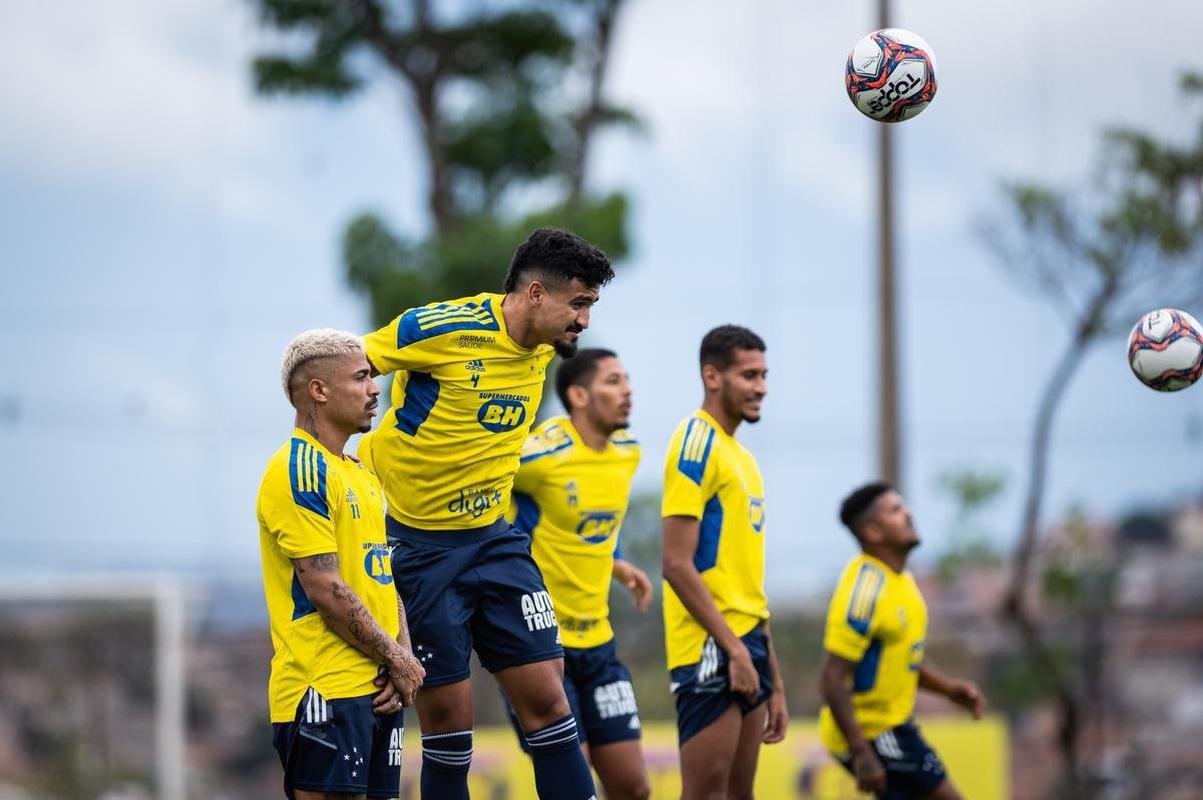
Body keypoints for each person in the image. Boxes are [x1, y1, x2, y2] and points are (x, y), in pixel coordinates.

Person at [362, 228, 614, 800]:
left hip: (497, 543)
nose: (584, 321)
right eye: (578, 304)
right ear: (533, 294)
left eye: (591, 306)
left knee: (551, 706)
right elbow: (350, 364)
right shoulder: (441, 329)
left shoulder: (547, 347)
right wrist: (338, 464)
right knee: (450, 726)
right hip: (418, 548)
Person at [256, 328, 425, 800]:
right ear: (319, 390)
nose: (375, 389)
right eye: (361, 377)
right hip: (323, 692)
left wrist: (401, 657)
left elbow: (380, 574)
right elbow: (326, 589)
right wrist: (397, 658)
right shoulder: (297, 468)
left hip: (379, 688)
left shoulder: (358, 471)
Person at [505, 348, 653, 800]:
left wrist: (618, 561)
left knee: (633, 788)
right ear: (578, 395)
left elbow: (591, 524)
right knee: (574, 787)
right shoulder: (541, 454)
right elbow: (480, 476)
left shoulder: (628, 452)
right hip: (540, 649)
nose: (627, 390)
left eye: (627, 379)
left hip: (600, 645)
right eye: (612, 381)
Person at [660, 325, 789, 800]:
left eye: (764, 375)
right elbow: (675, 563)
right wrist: (733, 649)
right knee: (706, 794)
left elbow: (747, 586)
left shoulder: (745, 458)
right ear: (712, 376)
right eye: (749, 375)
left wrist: (772, 679)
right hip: (710, 647)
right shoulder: (696, 442)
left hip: (748, 641)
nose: (761, 387)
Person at [818, 482, 987, 800]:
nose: (908, 513)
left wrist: (950, 690)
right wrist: (861, 752)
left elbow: (900, 661)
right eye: (895, 510)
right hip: (872, 733)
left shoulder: (903, 583)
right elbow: (831, 679)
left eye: (904, 506)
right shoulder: (865, 592)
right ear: (873, 530)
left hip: (890, 728)